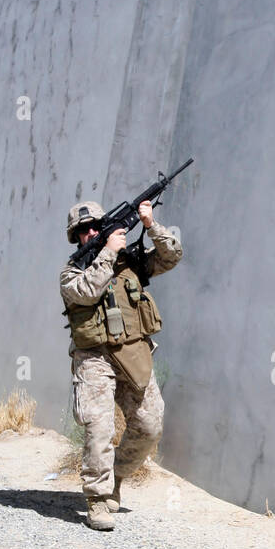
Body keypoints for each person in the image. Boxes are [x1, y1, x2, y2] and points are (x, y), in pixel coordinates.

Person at [59, 198, 182, 530]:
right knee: (100, 427)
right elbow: (87, 292)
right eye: (83, 231)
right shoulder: (72, 273)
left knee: (150, 426)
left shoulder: (131, 261)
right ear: (76, 237)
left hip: (132, 353)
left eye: (96, 227)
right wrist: (108, 252)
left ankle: (116, 477)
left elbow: (172, 256)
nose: (91, 233)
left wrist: (150, 225)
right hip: (94, 358)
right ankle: (97, 499)